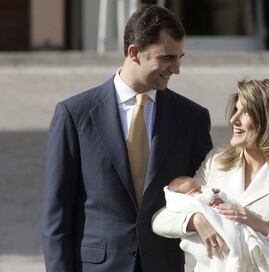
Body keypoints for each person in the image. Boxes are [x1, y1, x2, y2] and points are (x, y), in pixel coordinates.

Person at [42, 5, 213, 272]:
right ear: (134, 53)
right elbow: (57, 215)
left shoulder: (192, 118)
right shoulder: (75, 115)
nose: (177, 69)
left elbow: (206, 192)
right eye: (168, 58)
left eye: (180, 58)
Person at [153, 79, 269, 271]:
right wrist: (196, 220)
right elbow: (160, 220)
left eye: (245, 112)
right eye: (236, 110)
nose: (233, 120)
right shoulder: (216, 162)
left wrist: (262, 225)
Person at [165, 176, 269, 272]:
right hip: (216, 259)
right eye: (197, 191)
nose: (203, 191)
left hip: (253, 246)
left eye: (201, 188)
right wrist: (196, 219)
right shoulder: (213, 161)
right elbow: (159, 219)